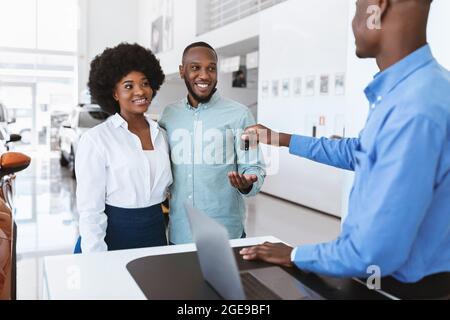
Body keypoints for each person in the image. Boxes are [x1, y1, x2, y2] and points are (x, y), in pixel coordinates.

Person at [239, 0, 450, 298]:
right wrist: (280, 138)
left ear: (377, 7)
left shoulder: (414, 108)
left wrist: (295, 254)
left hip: (403, 289)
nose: (353, 23)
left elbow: (373, 251)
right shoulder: (416, 91)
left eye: (356, 9)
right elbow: (358, 152)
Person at [159, 42, 265, 245]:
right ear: (182, 71)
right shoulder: (169, 115)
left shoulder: (240, 115)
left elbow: (254, 166)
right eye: (195, 67)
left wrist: (246, 183)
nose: (204, 75)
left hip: (225, 234)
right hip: (179, 233)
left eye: (211, 68)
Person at [74, 43, 173, 253]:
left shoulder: (162, 135)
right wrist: (96, 256)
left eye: (145, 83)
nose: (140, 91)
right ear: (115, 93)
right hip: (113, 235)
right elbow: (90, 209)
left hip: (155, 231)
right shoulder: (97, 139)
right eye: (128, 86)